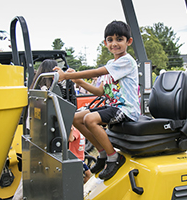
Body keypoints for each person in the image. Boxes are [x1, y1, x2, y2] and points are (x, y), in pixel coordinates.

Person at [53, 20, 140, 181]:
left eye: (119, 39)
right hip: (113, 106)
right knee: (76, 118)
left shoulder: (127, 61)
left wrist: (68, 76)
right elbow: (101, 91)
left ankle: (114, 157)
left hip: (126, 109)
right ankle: (102, 153)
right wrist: (78, 82)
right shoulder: (111, 63)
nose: (114, 43)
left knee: (90, 119)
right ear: (105, 42)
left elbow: (96, 72)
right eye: (110, 40)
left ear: (129, 41)